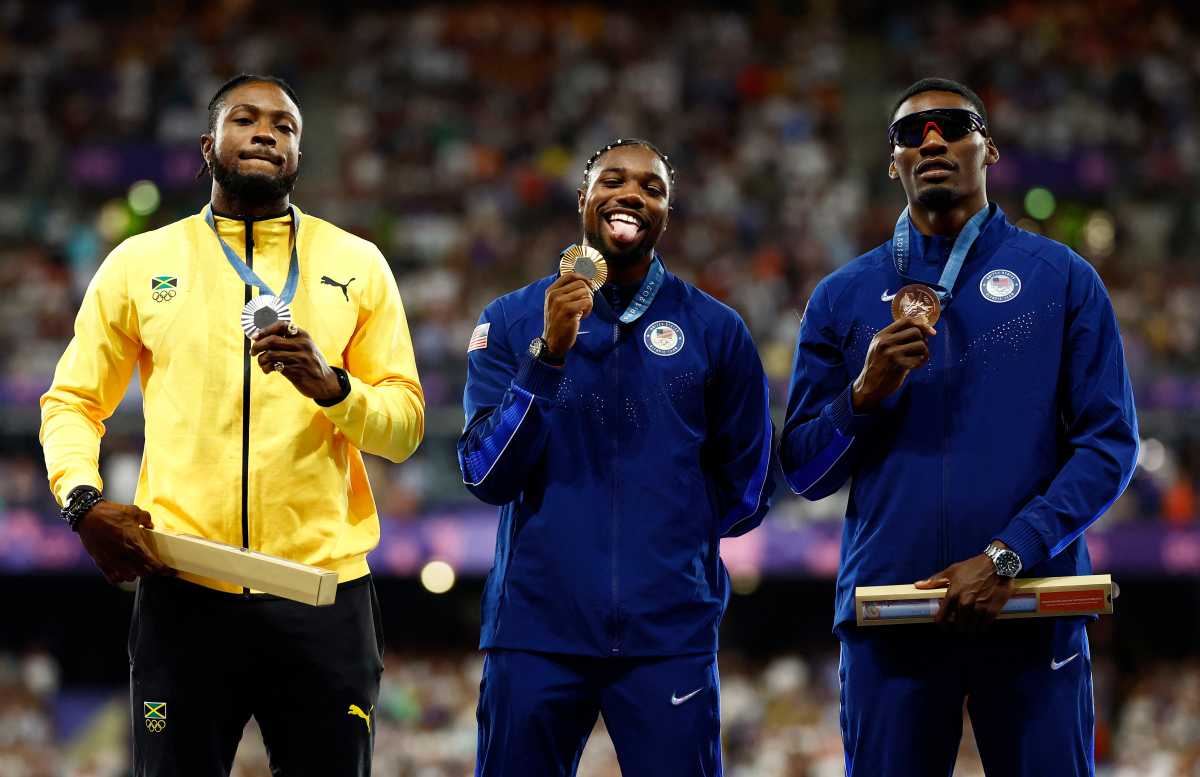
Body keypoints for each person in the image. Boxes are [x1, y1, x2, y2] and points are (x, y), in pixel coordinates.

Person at [39, 73, 424, 776]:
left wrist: (335, 389)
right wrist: (82, 502)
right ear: (208, 144)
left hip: (323, 594)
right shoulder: (140, 263)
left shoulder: (356, 264)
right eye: (245, 119)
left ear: (299, 154)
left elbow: (403, 427)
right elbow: (71, 401)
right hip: (185, 591)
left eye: (284, 126)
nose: (266, 133)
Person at [780, 78, 1138, 777]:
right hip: (892, 619)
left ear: (989, 149)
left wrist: (1009, 553)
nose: (933, 140)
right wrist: (862, 394)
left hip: (1030, 605)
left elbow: (1109, 444)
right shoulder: (842, 297)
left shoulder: (1061, 277)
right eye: (912, 134)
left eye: (953, 125)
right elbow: (802, 468)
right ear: (894, 164)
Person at [458, 138, 775, 775]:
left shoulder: (717, 330)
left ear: (666, 214)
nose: (631, 194)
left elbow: (751, 484)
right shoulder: (513, 320)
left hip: (669, 637)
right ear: (583, 199)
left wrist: (668, 545)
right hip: (535, 634)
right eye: (613, 180)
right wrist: (547, 356)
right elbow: (486, 475)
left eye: (652, 188)